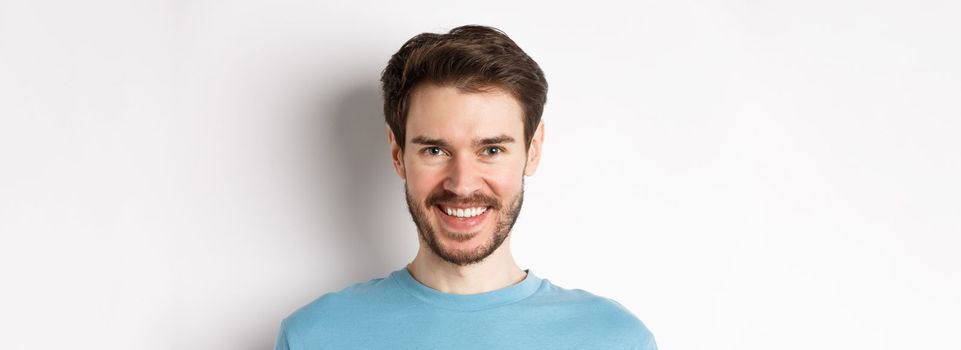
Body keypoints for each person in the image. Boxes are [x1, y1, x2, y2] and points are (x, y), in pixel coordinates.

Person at [275, 25, 657, 349]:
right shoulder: (315, 336)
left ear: (533, 150)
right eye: (435, 149)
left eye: (491, 149)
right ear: (397, 154)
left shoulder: (614, 339)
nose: (462, 183)